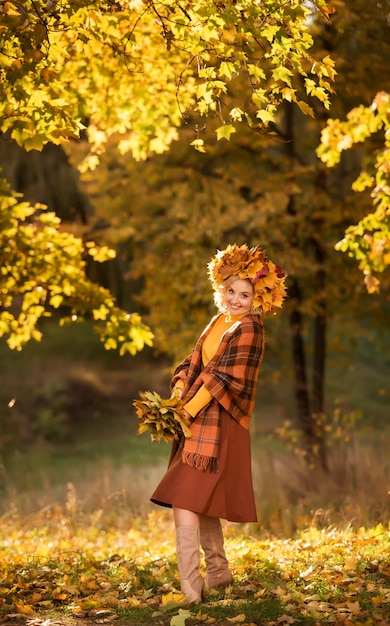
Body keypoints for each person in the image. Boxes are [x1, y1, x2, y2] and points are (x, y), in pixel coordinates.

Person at [150, 243, 286, 604]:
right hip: (198, 418)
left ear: (259, 299)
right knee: (200, 500)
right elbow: (193, 361)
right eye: (231, 291)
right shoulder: (219, 321)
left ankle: (191, 590)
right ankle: (220, 573)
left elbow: (223, 380)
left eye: (245, 294)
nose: (236, 299)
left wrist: (185, 411)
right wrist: (179, 386)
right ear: (221, 288)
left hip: (221, 425)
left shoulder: (250, 329)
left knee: (184, 497)